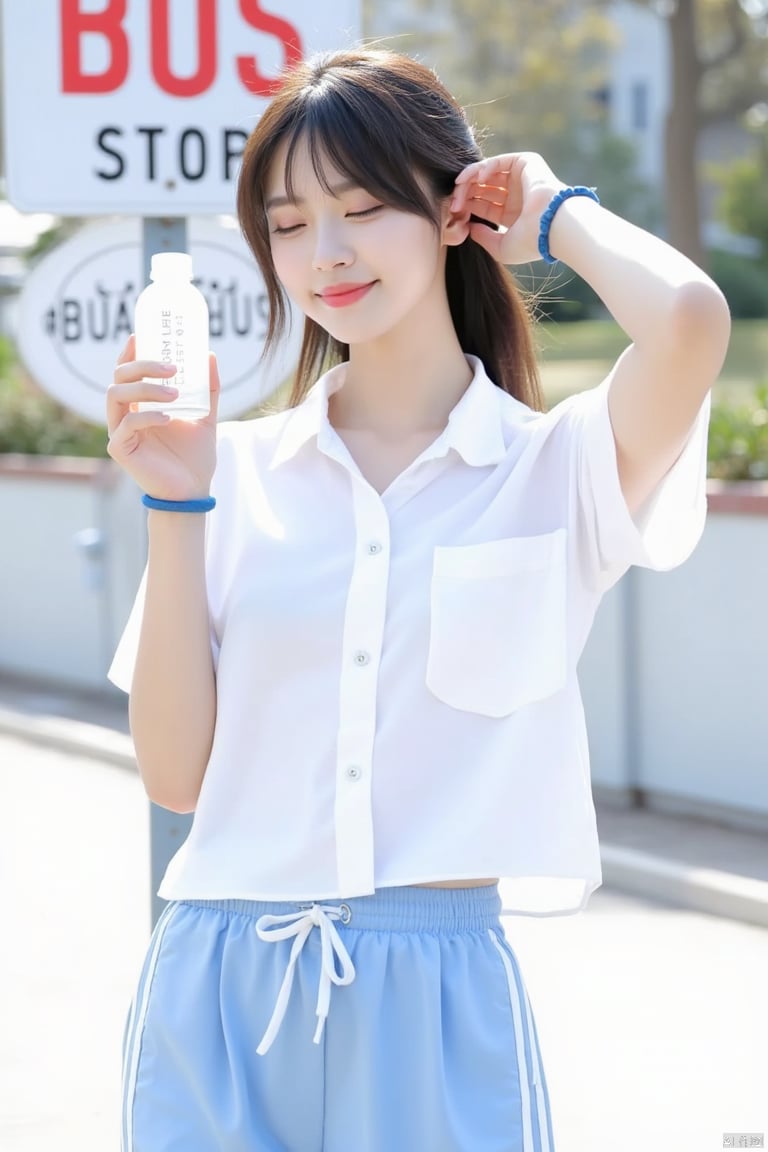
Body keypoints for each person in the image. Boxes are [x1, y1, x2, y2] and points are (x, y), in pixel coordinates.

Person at [106, 47, 730, 1152]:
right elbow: (174, 776)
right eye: (289, 225)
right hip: (219, 981)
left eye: (360, 208)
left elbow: (687, 321)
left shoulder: (555, 473)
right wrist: (175, 504)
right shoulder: (231, 475)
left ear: (450, 212)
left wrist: (551, 210)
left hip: (434, 991)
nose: (325, 254)